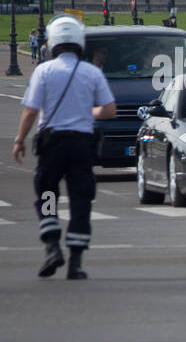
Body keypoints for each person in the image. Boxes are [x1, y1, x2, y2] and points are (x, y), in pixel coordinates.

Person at [12, 16, 116, 279]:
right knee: (81, 199)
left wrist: (19, 140)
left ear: (53, 42)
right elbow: (108, 110)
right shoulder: (91, 72)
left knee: (47, 193)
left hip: (52, 144)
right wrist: (85, 112)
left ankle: (51, 245)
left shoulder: (43, 71)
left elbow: (31, 110)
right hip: (81, 143)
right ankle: (76, 262)